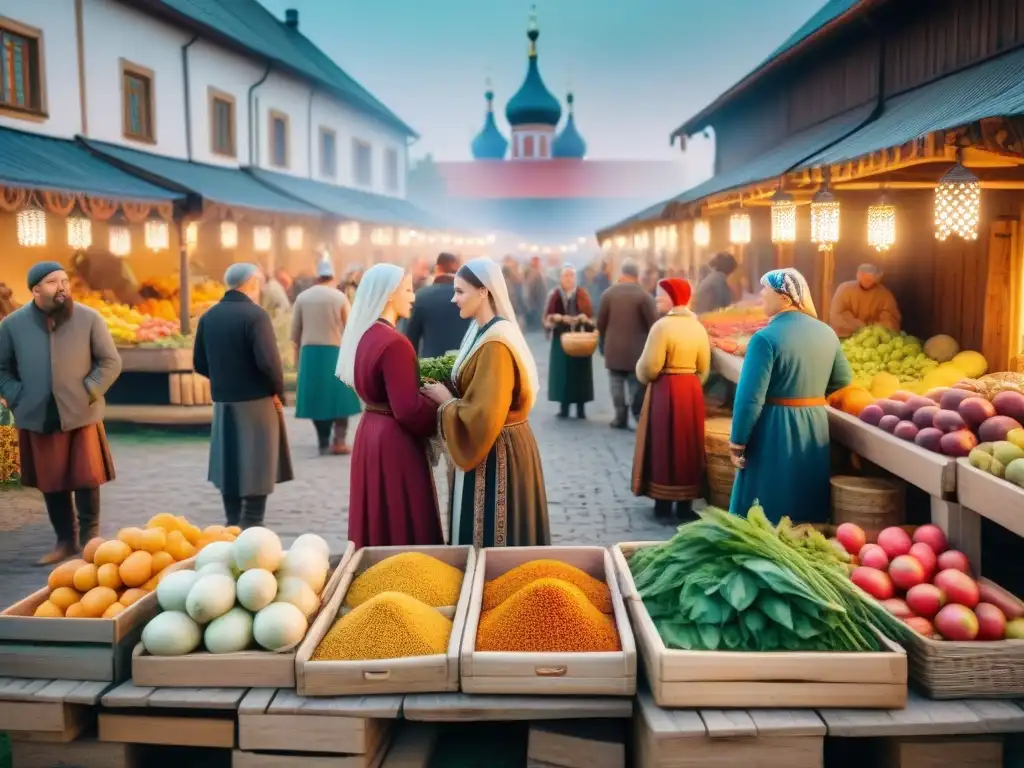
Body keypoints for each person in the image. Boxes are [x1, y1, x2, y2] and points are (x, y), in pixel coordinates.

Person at [422, 258, 550, 547]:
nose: (453, 299)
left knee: (494, 537)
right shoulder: (482, 331)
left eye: (460, 291)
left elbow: (484, 413)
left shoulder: (495, 344)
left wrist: (446, 403)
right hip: (493, 443)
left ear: (483, 292)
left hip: (496, 451)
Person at [0, 262, 121, 564]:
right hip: (36, 414)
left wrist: (89, 390)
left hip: (81, 412)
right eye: (53, 282)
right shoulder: (12, 325)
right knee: (50, 481)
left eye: (65, 280)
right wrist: (17, 396)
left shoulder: (89, 318)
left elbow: (110, 362)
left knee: (86, 477)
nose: (63, 287)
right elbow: (2, 369)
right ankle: (64, 541)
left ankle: (90, 539)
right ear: (36, 289)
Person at [729, 268, 853, 523]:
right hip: (814, 425)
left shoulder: (765, 339)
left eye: (766, 289)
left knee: (768, 501)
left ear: (785, 297)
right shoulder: (827, 333)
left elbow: (750, 399)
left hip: (774, 428)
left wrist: (737, 442)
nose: (761, 294)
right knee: (805, 496)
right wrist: (809, 394)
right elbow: (843, 379)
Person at [337, 263, 443, 549]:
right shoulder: (395, 342)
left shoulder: (366, 335)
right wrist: (443, 408)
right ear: (387, 295)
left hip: (370, 432)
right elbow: (407, 409)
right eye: (408, 290)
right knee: (401, 514)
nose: (413, 297)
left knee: (377, 512)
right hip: (394, 439)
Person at [193, 263, 294, 528]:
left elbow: (199, 362)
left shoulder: (209, 316)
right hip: (257, 401)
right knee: (257, 463)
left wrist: (224, 380)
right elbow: (269, 363)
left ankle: (232, 522)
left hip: (224, 402)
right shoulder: (256, 316)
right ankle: (251, 523)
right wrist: (278, 392)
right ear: (250, 282)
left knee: (229, 463)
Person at [631, 278, 710, 520]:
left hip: (666, 388)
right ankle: (685, 504)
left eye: (661, 295)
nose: (656, 298)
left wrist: (644, 375)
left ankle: (663, 503)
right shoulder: (698, 327)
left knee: (663, 442)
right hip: (691, 390)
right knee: (687, 443)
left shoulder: (662, 327)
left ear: (674, 299)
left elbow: (649, 367)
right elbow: (704, 368)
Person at [291, 256, 361, 456]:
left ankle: (322, 440)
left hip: (311, 352)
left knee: (317, 399)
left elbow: (295, 332)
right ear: (332, 276)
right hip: (335, 350)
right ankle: (338, 441)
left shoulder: (303, 297)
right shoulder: (339, 297)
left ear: (317, 276)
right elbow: (350, 328)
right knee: (341, 399)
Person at [596, 259, 659, 429]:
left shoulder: (608, 295)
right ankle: (638, 416)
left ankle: (619, 417)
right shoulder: (644, 296)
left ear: (622, 274)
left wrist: (602, 344)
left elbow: (600, 324)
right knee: (635, 385)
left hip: (613, 349)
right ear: (637, 275)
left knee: (615, 383)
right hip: (637, 352)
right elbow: (654, 325)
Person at [543, 265, 595, 419]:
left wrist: (584, 319)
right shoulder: (555, 294)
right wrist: (555, 318)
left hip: (580, 337)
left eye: (571, 275)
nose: (568, 278)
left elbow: (590, 315)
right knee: (562, 373)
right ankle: (563, 407)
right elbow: (548, 316)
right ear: (560, 278)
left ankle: (581, 408)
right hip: (561, 337)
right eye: (565, 276)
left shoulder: (582, 293)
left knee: (580, 373)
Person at [405, 253, 471, 358]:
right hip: (464, 365)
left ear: (437, 268)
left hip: (430, 368)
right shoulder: (470, 297)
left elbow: (410, 340)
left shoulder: (421, 296)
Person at [829, 263, 902, 338]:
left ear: (877, 279)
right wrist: (859, 326)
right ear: (858, 275)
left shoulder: (884, 294)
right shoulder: (844, 289)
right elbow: (837, 314)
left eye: (870, 279)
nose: (867, 282)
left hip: (873, 338)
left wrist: (873, 328)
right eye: (864, 277)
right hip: (846, 336)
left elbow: (891, 318)